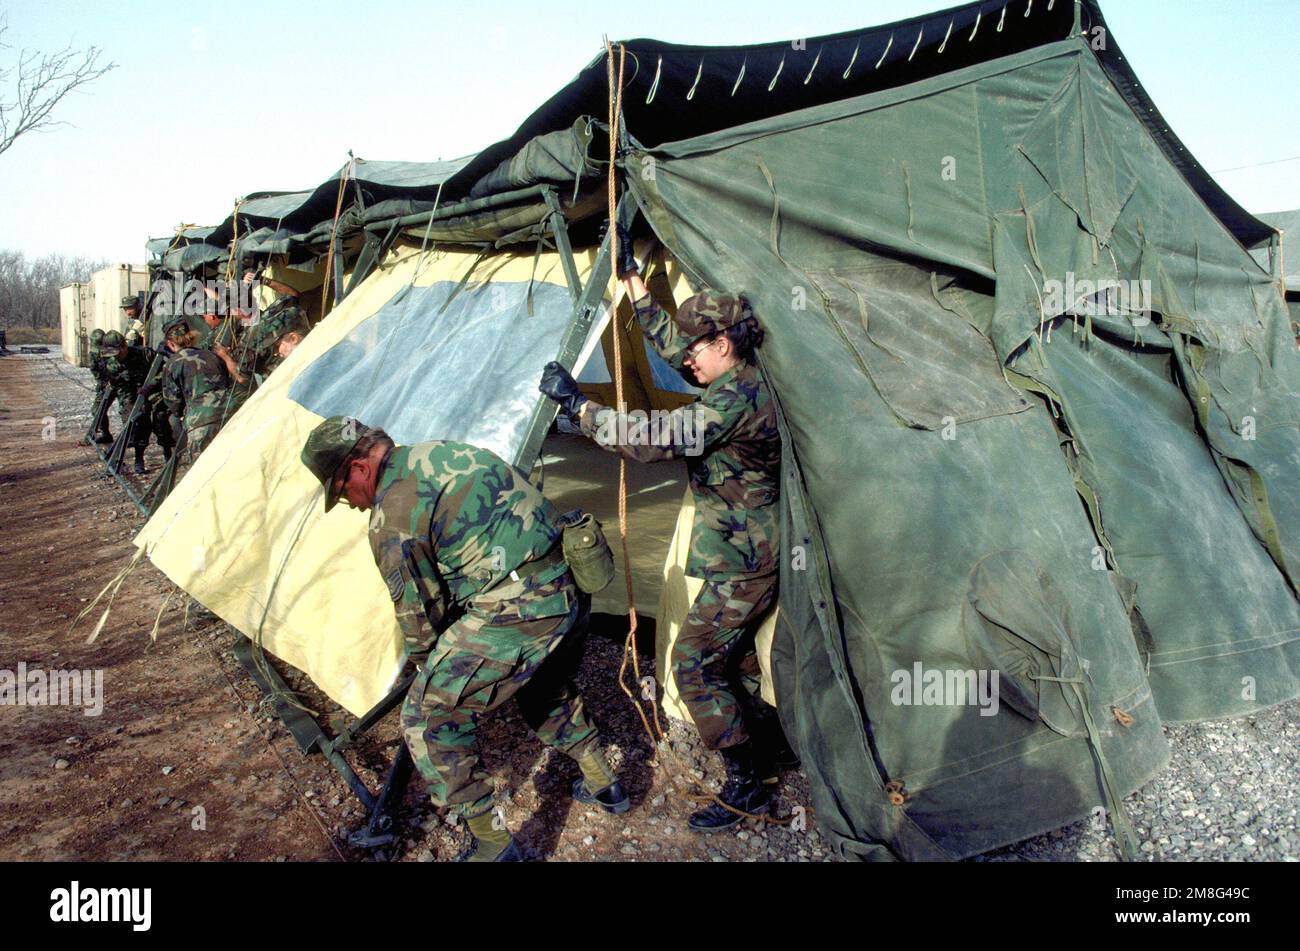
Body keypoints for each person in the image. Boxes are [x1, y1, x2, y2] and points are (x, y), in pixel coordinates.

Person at [538, 221, 792, 832]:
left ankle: (746, 784)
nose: (687, 359)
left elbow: (655, 440)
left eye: (698, 349)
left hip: (747, 560)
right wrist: (632, 283)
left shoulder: (736, 401)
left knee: (695, 667)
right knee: (735, 663)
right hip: (744, 552)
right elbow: (669, 342)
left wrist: (580, 409)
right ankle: (770, 750)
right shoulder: (742, 378)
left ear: (725, 344)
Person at [300, 416, 629, 861]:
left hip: (523, 607)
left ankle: (493, 845)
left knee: (427, 717)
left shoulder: (392, 517)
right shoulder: (442, 450)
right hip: (571, 581)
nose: (351, 505)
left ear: (358, 468)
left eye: (342, 494)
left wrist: (429, 671)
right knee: (539, 682)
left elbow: (421, 619)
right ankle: (604, 782)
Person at [160, 317, 243, 458]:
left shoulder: (172, 364)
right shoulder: (213, 356)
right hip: (230, 414)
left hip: (200, 421)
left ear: (170, 344)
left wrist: (182, 413)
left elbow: (173, 402)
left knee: (203, 472)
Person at [99, 330, 173, 474]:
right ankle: (139, 459)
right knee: (137, 424)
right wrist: (131, 408)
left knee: (161, 421)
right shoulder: (112, 364)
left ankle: (168, 454)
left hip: (154, 392)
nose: (115, 357)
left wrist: (151, 385)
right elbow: (121, 390)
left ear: (124, 346)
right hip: (132, 394)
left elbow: (165, 370)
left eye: (117, 353)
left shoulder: (145, 354)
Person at [87, 328, 114, 444]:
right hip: (105, 386)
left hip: (121, 384)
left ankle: (131, 437)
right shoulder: (93, 354)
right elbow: (95, 370)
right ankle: (106, 434)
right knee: (97, 410)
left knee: (127, 411)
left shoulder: (113, 351)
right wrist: (103, 383)